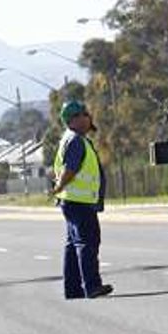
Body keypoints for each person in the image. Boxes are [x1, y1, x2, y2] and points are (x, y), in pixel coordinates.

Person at [50, 99, 113, 299]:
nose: (88, 118)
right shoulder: (76, 140)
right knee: (88, 242)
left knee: (73, 244)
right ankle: (92, 286)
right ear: (74, 119)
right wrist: (60, 185)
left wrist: (60, 188)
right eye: (85, 115)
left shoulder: (71, 138)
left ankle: (73, 288)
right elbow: (71, 168)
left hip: (72, 200)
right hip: (79, 202)